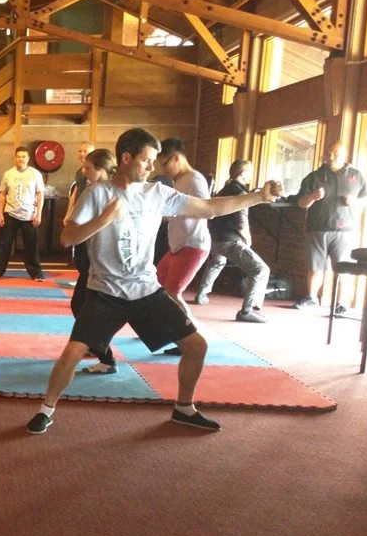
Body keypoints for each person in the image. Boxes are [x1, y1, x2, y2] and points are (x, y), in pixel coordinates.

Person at [25, 128, 282, 436]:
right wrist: (103, 219)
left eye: (154, 161)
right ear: (126, 158)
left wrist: (258, 196)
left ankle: (184, 408)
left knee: (196, 345)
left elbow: (210, 208)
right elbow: (68, 238)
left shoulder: (157, 194)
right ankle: (46, 410)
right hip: (105, 291)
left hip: (146, 290)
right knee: (73, 352)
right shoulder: (97, 194)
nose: (152, 167)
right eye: (146, 160)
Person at [291, 141, 367, 313]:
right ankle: (312, 298)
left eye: (336, 154)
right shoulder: (314, 177)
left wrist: (354, 202)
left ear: (344, 156)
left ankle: (342, 303)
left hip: (344, 230)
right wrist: (312, 197)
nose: (331, 157)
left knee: (344, 269)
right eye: (329, 153)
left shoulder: (356, 175)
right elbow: (301, 203)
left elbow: (365, 199)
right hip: (316, 228)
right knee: (314, 267)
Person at [194, 160, 271, 323]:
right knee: (260, 270)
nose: (251, 175)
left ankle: (201, 294)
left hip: (215, 238)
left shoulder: (222, 190)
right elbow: (241, 220)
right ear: (243, 173)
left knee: (217, 262)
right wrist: (247, 238)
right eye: (249, 172)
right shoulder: (241, 193)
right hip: (230, 240)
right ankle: (247, 310)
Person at [65, 148, 118, 374]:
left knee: (82, 305)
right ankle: (96, 347)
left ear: (101, 168)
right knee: (82, 305)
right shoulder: (94, 189)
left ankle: (103, 354)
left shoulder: (106, 192)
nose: (84, 171)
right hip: (92, 256)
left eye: (88, 168)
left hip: (103, 261)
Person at [155, 138, 211, 320]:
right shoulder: (179, 180)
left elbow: (208, 211)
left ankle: (190, 331)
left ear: (176, 158)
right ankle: (166, 327)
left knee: (173, 293)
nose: (164, 170)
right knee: (157, 285)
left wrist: (180, 211)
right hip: (178, 246)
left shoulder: (194, 179)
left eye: (165, 164)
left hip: (192, 245)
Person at [0, 146, 46, 281]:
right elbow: (2, 194)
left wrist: (38, 213)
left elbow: (40, 194)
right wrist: (0, 213)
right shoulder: (8, 174)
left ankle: (36, 273)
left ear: (28, 158)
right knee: (3, 245)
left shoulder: (35, 174)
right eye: (18, 156)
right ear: (15, 158)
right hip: (10, 214)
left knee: (31, 246)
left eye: (23, 156)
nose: (21, 159)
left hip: (29, 215)